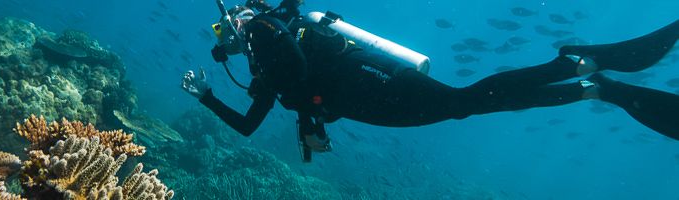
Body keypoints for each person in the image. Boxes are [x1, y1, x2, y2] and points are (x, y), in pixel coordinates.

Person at [181, 0, 679, 161]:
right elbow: (254, 121)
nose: (234, 31)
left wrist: (206, 94)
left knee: (464, 100)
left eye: (235, 22)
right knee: (466, 105)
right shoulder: (272, 47)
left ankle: (573, 67)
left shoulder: (270, 42)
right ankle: (588, 84)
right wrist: (212, 92)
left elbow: (258, 111)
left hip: (374, 86)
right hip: (370, 96)